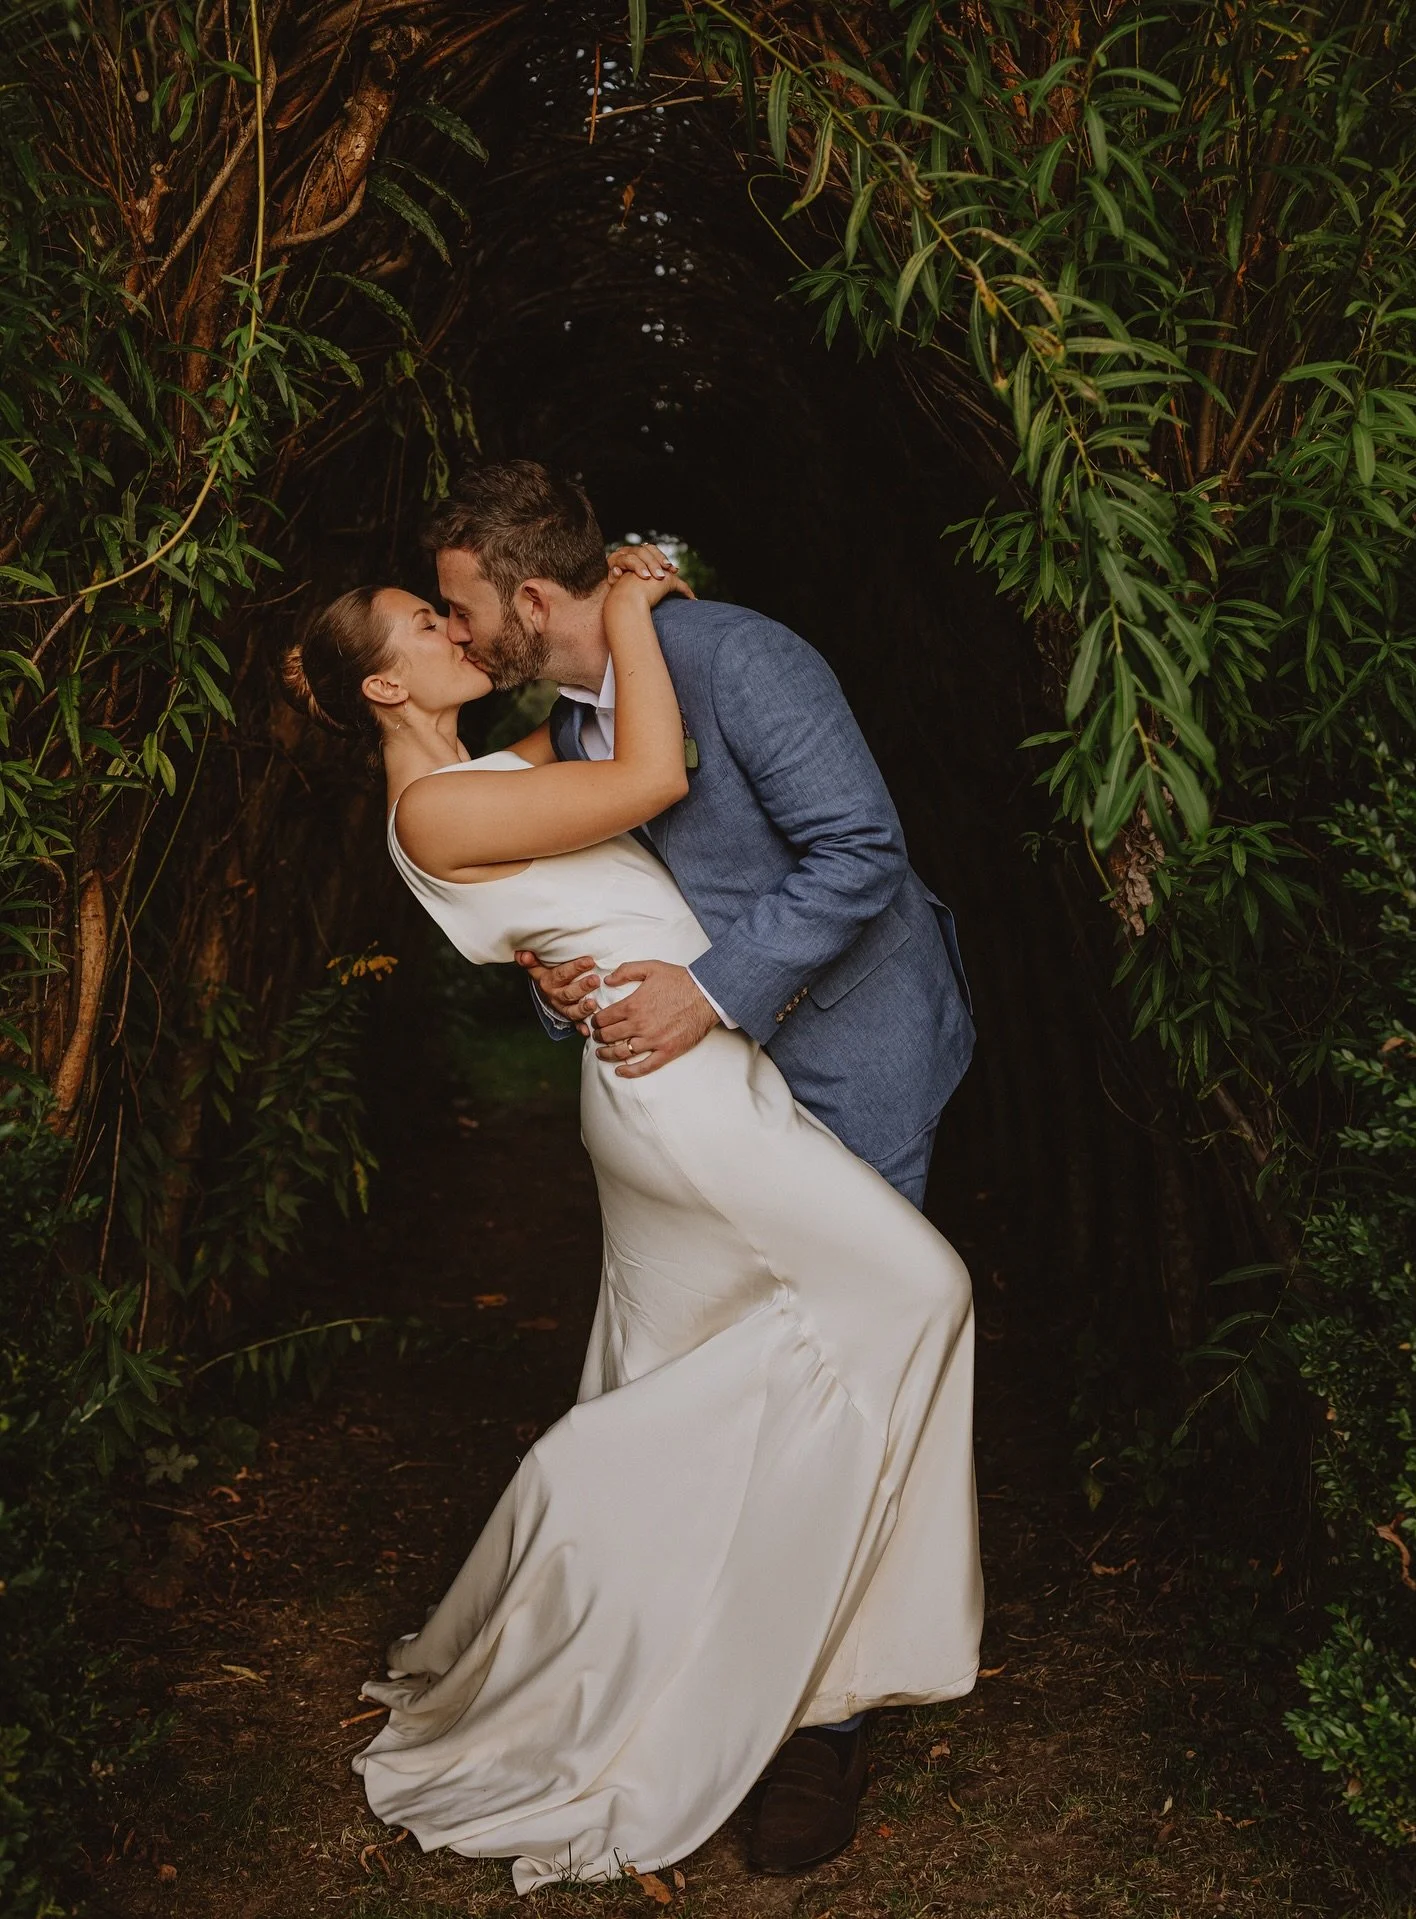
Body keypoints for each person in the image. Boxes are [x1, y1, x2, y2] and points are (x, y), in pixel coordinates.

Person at [281, 502, 981, 1895]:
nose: (453, 627)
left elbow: (657, 838)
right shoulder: (443, 799)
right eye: (426, 620)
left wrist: (628, 618)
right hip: (684, 1095)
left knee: (797, 1343)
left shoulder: (513, 753)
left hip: (764, 1061)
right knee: (911, 1296)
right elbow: (650, 779)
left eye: (455, 605)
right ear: (385, 688)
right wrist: (643, 612)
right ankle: (627, 1524)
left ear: (530, 602)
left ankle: (782, 1683)